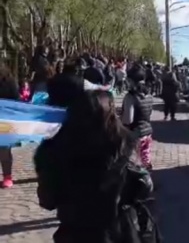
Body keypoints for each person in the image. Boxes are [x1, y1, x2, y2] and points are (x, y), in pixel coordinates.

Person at [34, 90, 158, 243]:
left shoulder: (54, 152)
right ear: (111, 116)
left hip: (74, 234)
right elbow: (143, 188)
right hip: (117, 233)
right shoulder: (124, 148)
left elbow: (47, 201)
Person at [121, 66, 154, 170]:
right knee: (145, 159)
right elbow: (148, 113)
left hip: (134, 134)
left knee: (129, 161)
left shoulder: (130, 97)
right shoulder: (149, 95)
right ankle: (147, 179)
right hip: (147, 132)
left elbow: (128, 120)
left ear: (131, 80)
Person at [0, 64, 19, 188]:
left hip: (5, 120)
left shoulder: (9, 82)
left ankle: (7, 176)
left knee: (4, 149)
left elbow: (16, 100)